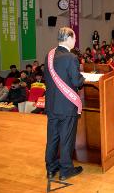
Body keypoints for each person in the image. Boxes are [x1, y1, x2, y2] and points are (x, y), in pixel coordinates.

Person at [44, 27, 85, 181]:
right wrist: (83, 78)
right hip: (67, 105)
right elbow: (76, 81)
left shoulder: (49, 55)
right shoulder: (71, 57)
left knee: (52, 137)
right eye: (74, 38)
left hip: (52, 105)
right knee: (66, 138)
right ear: (68, 38)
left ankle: (50, 169)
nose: (75, 41)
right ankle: (66, 170)